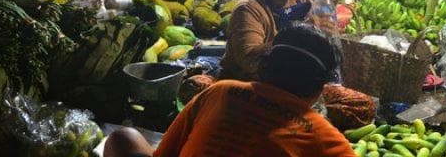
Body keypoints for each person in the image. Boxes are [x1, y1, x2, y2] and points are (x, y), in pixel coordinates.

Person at [104, 23, 355, 157]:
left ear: (264, 67)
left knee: (123, 138)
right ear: (320, 88)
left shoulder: (221, 91)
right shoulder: (324, 138)